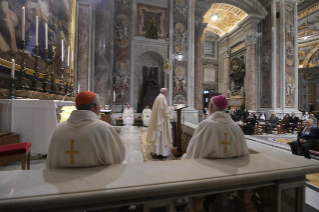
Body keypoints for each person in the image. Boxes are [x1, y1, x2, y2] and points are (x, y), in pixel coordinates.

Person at [46, 91, 126, 169]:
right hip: (97, 180)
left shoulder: (60, 129)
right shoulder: (104, 129)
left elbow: (50, 163)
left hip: (59, 180)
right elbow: (118, 158)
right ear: (96, 106)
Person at [182, 96, 249, 159]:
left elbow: (193, 151)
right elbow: (243, 153)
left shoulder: (205, 125)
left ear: (210, 106)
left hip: (207, 168)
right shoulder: (236, 127)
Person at [146, 88, 172, 157]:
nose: (168, 93)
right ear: (164, 92)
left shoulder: (159, 97)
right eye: (167, 92)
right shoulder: (161, 98)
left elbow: (162, 109)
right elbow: (164, 111)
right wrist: (172, 108)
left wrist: (168, 108)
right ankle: (161, 152)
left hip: (159, 120)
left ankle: (156, 151)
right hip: (161, 122)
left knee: (158, 136)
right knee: (161, 136)